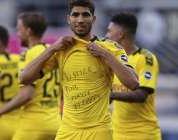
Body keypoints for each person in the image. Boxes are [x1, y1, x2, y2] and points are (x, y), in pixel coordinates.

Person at [19, 0, 139, 140]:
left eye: (85, 15)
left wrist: (105, 55)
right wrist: (52, 48)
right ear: (68, 19)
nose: (80, 20)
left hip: (98, 131)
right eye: (75, 15)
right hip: (67, 131)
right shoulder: (62, 48)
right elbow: (24, 78)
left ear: (93, 19)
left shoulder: (110, 47)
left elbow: (133, 83)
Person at [0, 12, 60, 140]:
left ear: (28, 31)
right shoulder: (52, 52)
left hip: (33, 124)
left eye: (19, 30)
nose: (17, 34)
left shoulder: (29, 55)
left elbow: (26, 95)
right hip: (55, 123)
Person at [105, 12, 162, 140]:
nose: (106, 35)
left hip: (142, 134)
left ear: (120, 35)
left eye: (109, 31)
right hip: (117, 134)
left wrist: (111, 96)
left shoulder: (146, 58)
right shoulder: (114, 59)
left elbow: (141, 95)